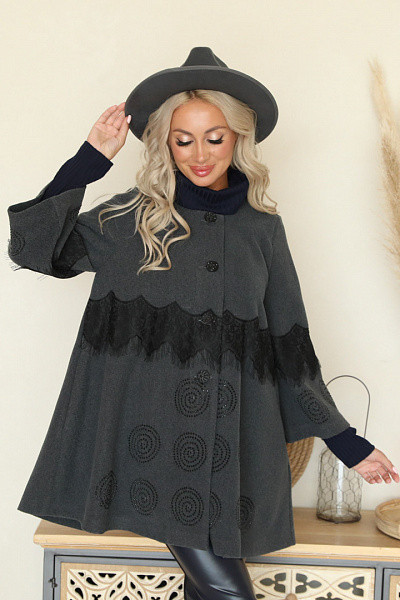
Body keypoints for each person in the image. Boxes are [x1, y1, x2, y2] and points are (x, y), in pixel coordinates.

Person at [7, 47, 399, 600]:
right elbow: (32, 249)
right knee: (231, 594)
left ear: (238, 138)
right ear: (165, 144)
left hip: (230, 448)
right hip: (145, 450)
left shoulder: (262, 228)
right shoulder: (130, 218)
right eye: (183, 139)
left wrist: (347, 442)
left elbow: (289, 341)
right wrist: (89, 160)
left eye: (214, 137)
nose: (199, 154)